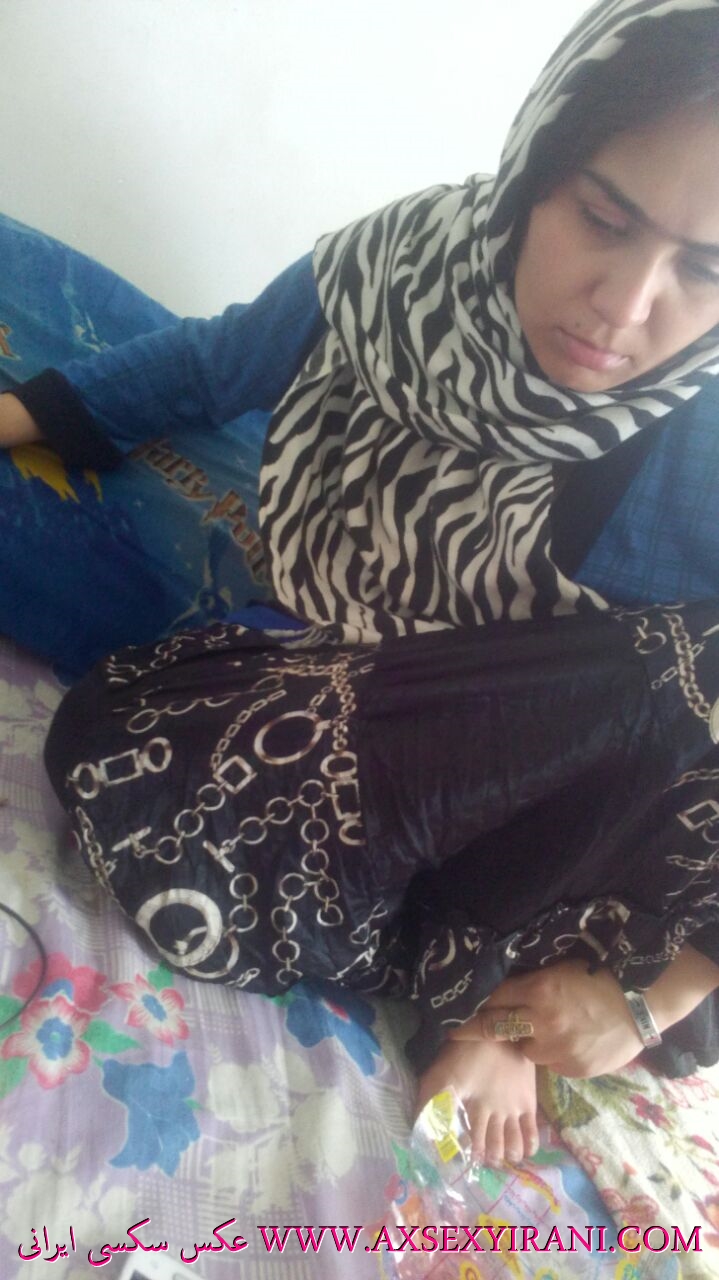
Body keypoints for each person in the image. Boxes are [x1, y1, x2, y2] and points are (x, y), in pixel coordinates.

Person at [8, 0, 719, 1164]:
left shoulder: (697, 445)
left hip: (556, 833)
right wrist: (23, 414)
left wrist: (644, 997)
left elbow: (641, 768)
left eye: (701, 269)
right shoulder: (405, 266)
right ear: (535, 165)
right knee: (131, 745)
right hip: (351, 694)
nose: (627, 304)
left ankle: (501, 1006)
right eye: (602, 218)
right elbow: (213, 363)